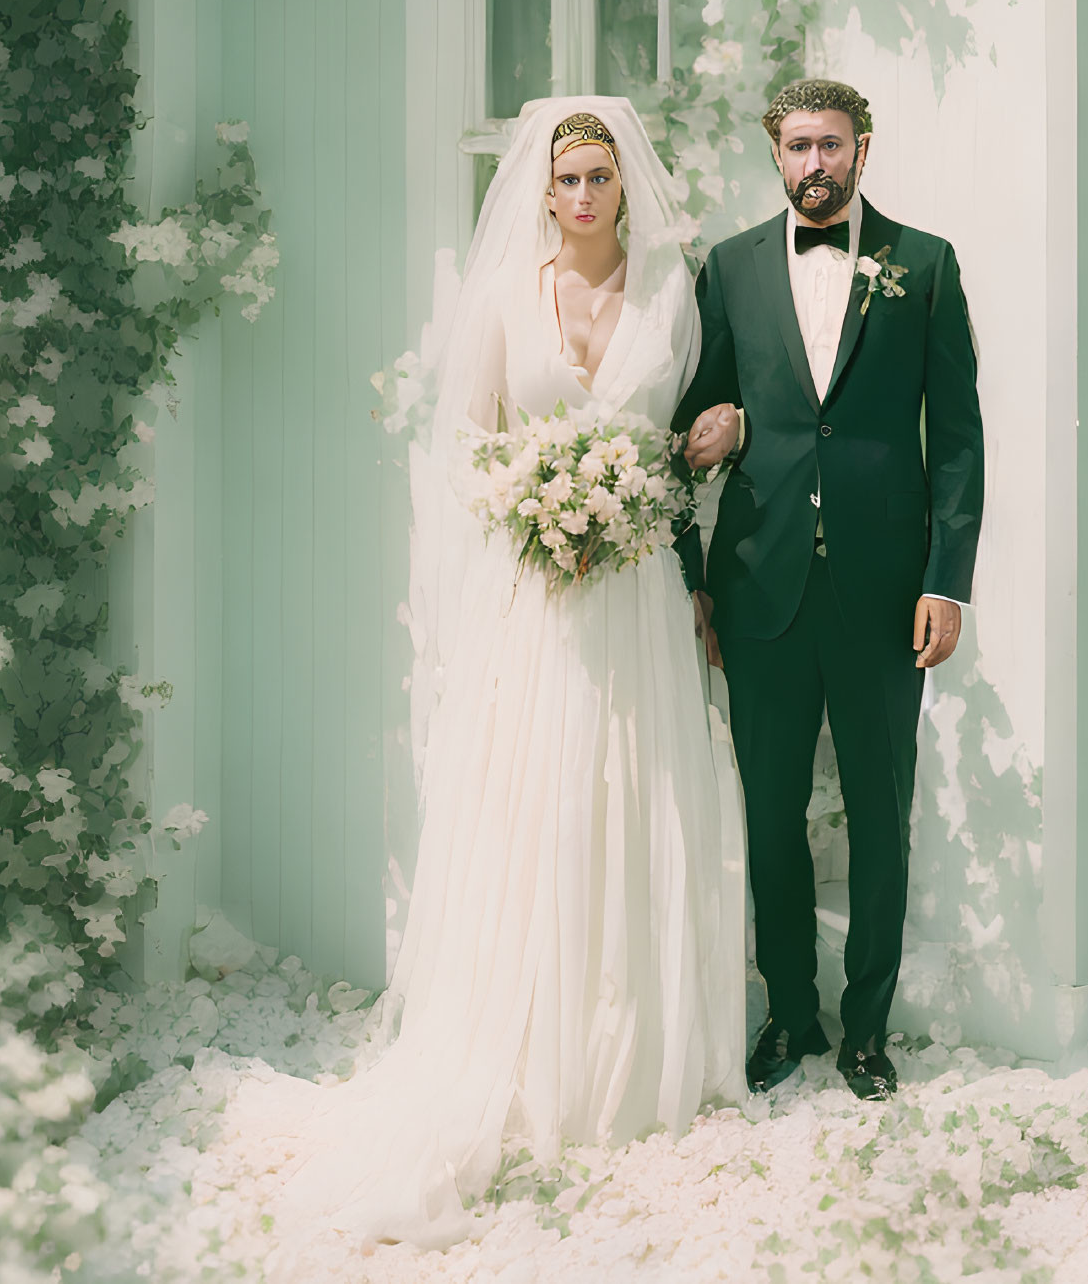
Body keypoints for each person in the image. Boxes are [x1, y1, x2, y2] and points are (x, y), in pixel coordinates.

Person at [222, 98, 747, 1261]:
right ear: (541, 189)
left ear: (626, 183)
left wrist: (708, 442)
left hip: (646, 591)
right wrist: (536, 511)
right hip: (549, 597)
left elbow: (701, 424)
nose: (582, 195)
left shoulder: (675, 293)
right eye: (565, 177)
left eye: (600, 174)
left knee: (641, 794)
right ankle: (534, 1046)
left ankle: (635, 1050)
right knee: (544, 806)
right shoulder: (507, 296)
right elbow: (466, 446)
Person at [675, 78, 983, 1104]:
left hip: (887, 592)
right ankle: (791, 1014)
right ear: (776, 155)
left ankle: (866, 1032)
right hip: (759, 590)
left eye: (833, 145)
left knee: (882, 815)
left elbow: (960, 442)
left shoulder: (924, 265)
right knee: (771, 817)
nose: (817, 162)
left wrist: (948, 583)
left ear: (863, 149)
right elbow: (694, 426)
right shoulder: (727, 268)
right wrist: (694, 579)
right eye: (799, 146)